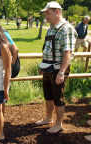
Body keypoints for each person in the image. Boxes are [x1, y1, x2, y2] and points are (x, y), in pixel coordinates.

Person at [36, 1, 77, 133]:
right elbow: (47, 49)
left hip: (58, 69)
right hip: (47, 67)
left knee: (58, 97)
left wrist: (61, 72)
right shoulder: (51, 28)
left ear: (57, 12)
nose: (45, 16)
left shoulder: (66, 29)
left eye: (48, 13)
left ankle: (58, 124)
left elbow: (67, 53)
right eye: (45, 13)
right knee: (48, 95)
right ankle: (48, 118)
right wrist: (42, 65)